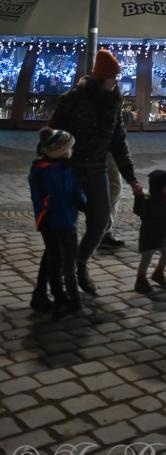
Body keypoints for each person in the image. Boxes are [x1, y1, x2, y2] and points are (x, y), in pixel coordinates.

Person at [50, 48, 143, 295]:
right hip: (70, 169)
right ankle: (59, 278)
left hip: (97, 168)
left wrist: (131, 178)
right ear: (102, 77)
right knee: (64, 228)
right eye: (114, 78)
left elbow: (119, 144)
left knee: (100, 220)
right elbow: (53, 132)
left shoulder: (113, 103)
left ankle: (80, 263)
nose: (117, 83)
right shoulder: (74, 98)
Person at [29, 128, 86, 319]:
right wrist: (75, 200)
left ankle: (41, 295)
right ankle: (59, 296)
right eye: (69, 148)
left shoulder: (64, 167)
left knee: (54, 257)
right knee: (56, 260)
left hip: (66, 220)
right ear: (59, 150)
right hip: (51, 221)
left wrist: (81, 200)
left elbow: (76, 189)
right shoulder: (45, 170)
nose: (72, 151)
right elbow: (54, 197)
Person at [133, 169, 166, 294]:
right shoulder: (148, 200)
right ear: (158, 188)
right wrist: (138, 196)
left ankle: (158, 273)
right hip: (149, 235)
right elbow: (139, 211)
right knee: (147, 257)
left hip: (163, 235)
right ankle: (141, 279)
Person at [99, 153, 125, 249]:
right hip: (106, 148)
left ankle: (103, 231)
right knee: (113, 188)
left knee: (113, 189)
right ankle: (102, 232)